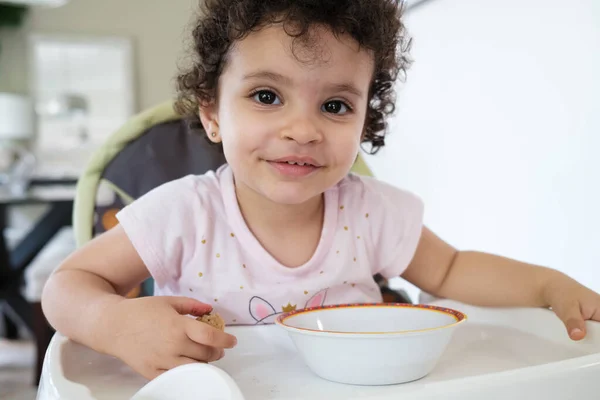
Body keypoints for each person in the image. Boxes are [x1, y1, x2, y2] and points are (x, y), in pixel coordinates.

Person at [42, 0, 600, 380]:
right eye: (266, 96)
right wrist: (111, 323)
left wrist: (547, 284)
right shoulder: (182, 214)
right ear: (212, 113)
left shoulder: (371, 212)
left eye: (335, 105)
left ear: (364, 122)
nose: (303, 129)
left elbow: (451, 271)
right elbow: (68, 284)